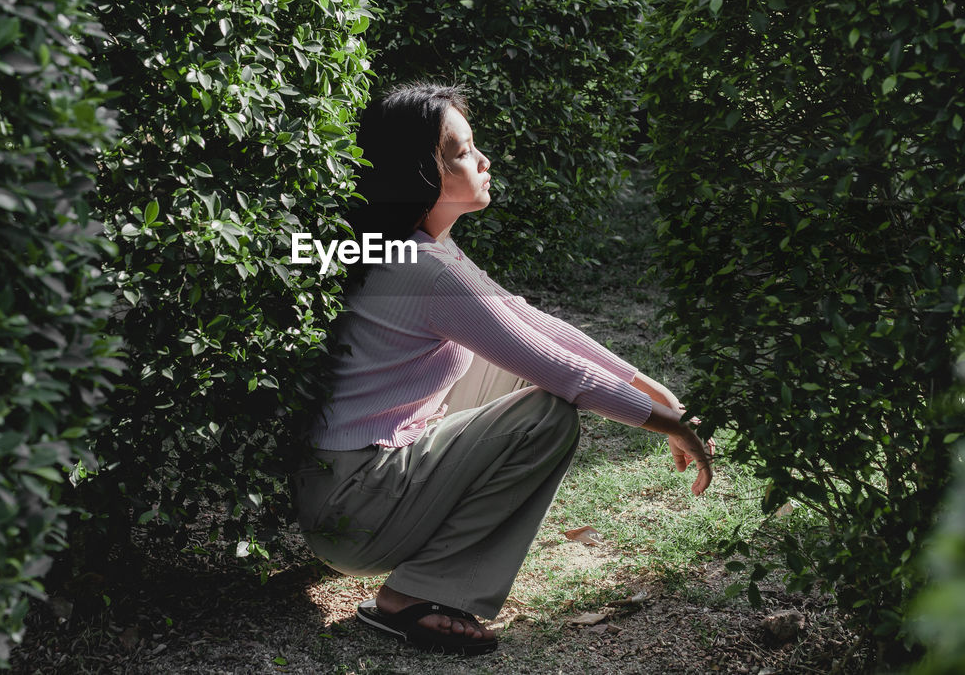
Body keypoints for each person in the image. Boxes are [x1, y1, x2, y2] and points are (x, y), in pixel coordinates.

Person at [292, 83, 715, 656]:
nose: (484, 161)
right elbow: (565, 375)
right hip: (356, 506)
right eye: (463, 152)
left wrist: (648, 385)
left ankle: (420, 580)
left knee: (518, 372)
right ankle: (413, 597)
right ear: (423, 172)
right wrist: (673, 425)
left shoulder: (396, 246)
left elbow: (526, 322)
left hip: (336, 492)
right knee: (547, 413)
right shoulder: (424, 269)